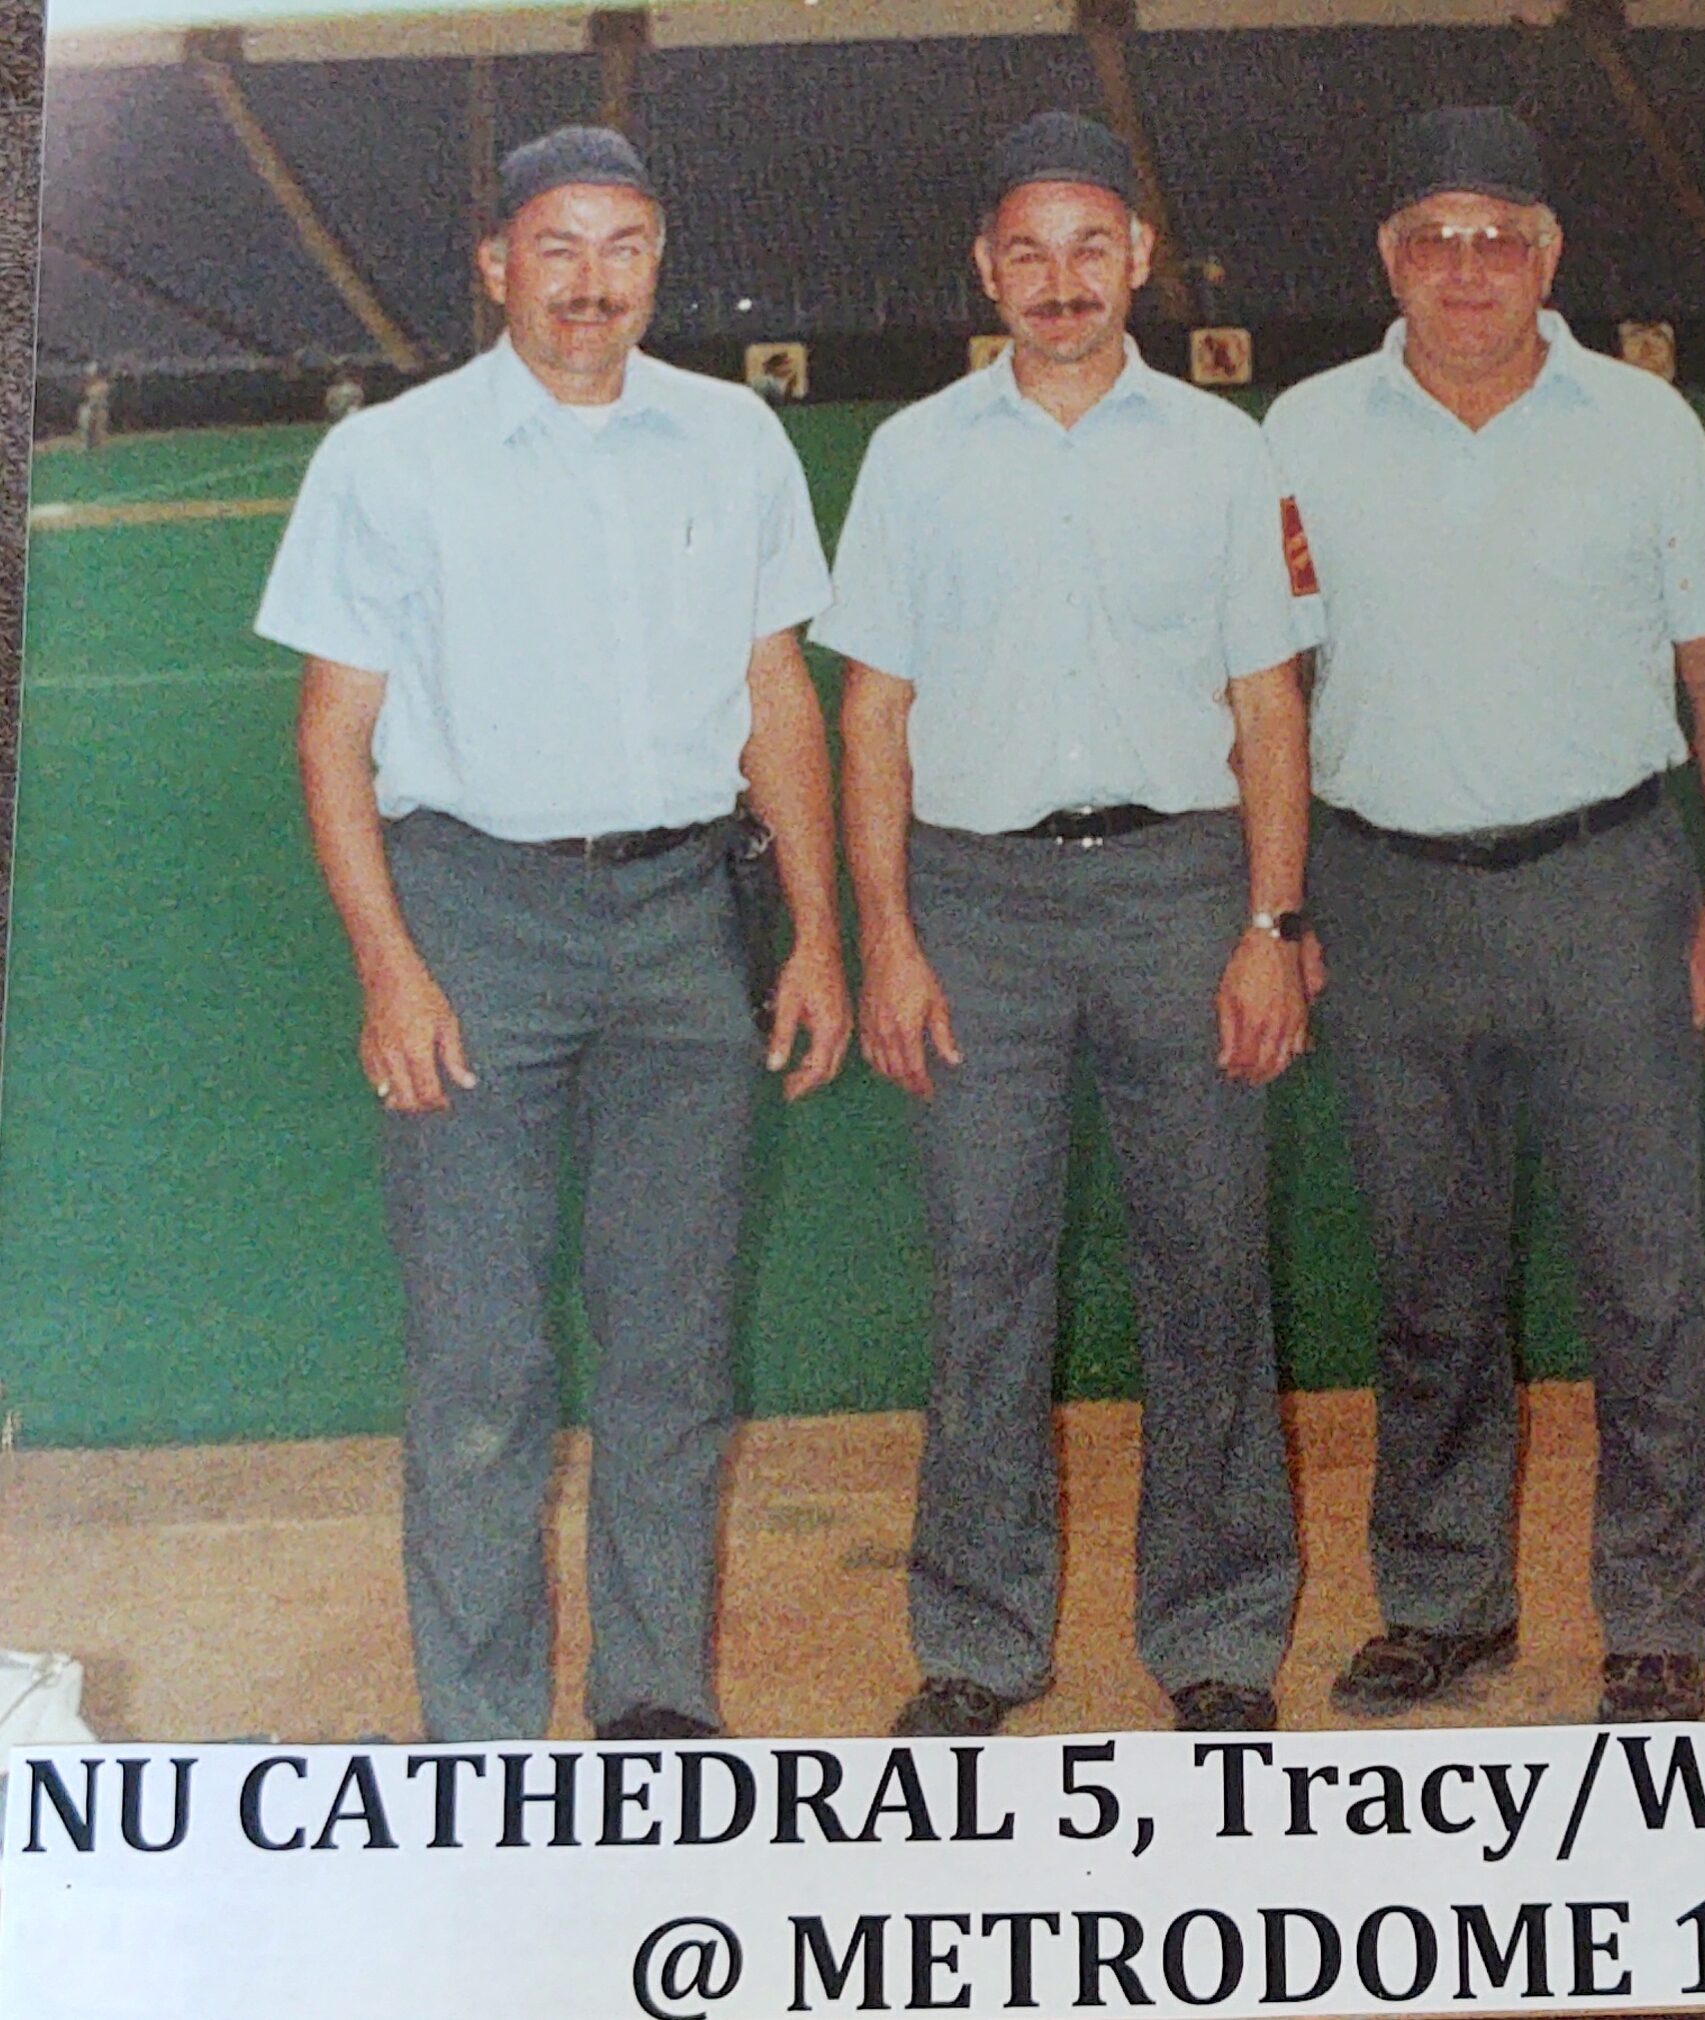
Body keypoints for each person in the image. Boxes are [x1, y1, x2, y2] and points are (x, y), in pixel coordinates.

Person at [256, 125, 850, 1743]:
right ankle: (485, 1739)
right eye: (559, 248)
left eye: (625, 246)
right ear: (496, 265)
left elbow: (777, 692)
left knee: (673, 1352)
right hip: (474, 924)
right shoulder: (392, 458)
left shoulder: (733, 439)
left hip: (683, 925)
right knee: (481, 1368)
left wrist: (815, 932)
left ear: (659, 259)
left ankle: (655, 1712)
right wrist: (389, 967)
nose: (594, 282)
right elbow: (331, 736)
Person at [1263, 106, 1705, 1725]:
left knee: (1648, 1277)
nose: (1466, 267)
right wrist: (1281, 909)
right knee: (1430, 1285)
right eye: (1434, 237)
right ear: (1389, 260)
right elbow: (1261, 683)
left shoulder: (1645, 424)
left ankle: (1657, 1619)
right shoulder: (1304, 430)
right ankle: (1444, 1601)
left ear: (1548, 257)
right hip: (1386, 897)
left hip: (1605, 889)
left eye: (1498, 237)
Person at [820, 111, 1310, 1738]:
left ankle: (1219, 1632)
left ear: (1140, 258)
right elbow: (873, 712)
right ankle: (977, 1641)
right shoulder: (915, 454)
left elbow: (1269, 702)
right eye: (1028, 251)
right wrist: (889, 937)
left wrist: (1272, 920)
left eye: (1091, 245)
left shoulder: (1225, 451)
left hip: (1181, 888)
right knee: (984, 1275)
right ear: (986, 268)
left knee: (1209, 1267)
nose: (1061, 280)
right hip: (978, 907)